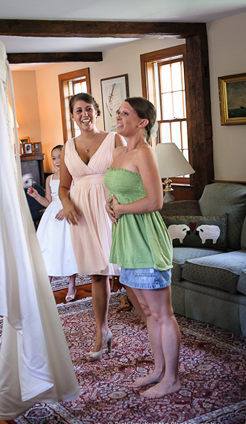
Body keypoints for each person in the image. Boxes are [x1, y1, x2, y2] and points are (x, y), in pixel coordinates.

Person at [104, 97, 179, 398]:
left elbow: (155, 202)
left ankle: (172, 379)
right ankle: (159, 370)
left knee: (162, 313)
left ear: (142, 121)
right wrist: (111, 206)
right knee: (147, 312)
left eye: (125, 113)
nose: (118, 117)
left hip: (146, 240)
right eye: (118, 112)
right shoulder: (120, 151)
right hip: (127, 240)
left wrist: (120, 210)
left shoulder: (145, 153)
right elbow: (116, 191)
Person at [59, 93, 126, 362]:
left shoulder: (114, 139)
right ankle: (102, 330)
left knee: (122, 270)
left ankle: (155, 325)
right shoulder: (67, 147)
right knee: (97, 274)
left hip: (109, 208)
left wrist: (118, 203)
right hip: (81, 214)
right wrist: (66, 204)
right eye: (78, 111)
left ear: (97, 112)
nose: (84, 115)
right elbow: (64, 187)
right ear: (72, 116)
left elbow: (126, 176)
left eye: (89, 109)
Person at [28, 145, 78, 300]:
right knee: (49, 248)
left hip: (67, 214)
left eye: (60, 157)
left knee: (68, 248)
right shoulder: (50, 178)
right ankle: (47, 282)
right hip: (52, 217)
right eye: (54, 158)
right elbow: (49, 202)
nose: (57, 161)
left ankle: (72, 284)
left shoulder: (73, 176)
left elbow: (77, 197)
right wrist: (37, 196)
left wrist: (66, 208)